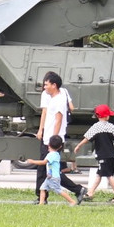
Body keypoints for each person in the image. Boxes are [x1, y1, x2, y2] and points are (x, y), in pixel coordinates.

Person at [34, 71, 83, 202]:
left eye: (46, 84)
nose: (44, 87)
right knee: (51, 171)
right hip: (49, 137)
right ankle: (77, 190)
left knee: (45, 170)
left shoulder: (59, 100)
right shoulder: (55, 97)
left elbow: (58, 120)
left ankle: (42, 198)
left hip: (52, 139)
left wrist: (53, 140)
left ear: (54, 85)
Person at [73, 104, 114, 202]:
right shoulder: (111, 127)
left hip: (103, 155)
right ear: (106, 116)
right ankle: (90, 193)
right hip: (111, 155)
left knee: (108, 176)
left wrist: (79, 145)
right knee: (100, 174)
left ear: (98, 115)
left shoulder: (96, 127)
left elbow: (87, 138)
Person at [30, 135, 79, 206]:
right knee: (42, 188)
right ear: (60, 147)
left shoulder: (51, 155)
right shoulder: (56, 154)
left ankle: (72, 201)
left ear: (48, 145)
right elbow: (49, 164)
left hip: (53, 177)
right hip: (50, 177)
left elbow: (43, 162)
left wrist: (32, 161)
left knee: (58, 190)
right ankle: (41, 204)